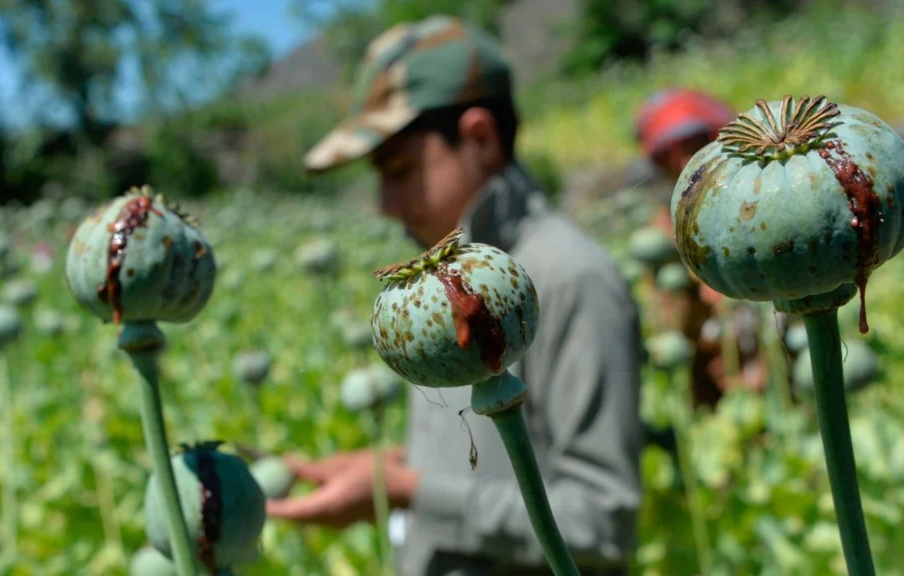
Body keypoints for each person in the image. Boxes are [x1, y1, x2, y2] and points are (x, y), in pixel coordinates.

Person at [266, 15, 645, 576]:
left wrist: (410, 491)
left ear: (480, 139)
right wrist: (383, 469)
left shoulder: (569, 278)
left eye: (400, 170)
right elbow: (489, 461)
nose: (385, 204)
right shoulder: (444, 289)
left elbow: (601, 524)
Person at [625, 89, 766, 406]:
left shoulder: (750, 208)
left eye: (692, 147)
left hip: (759, 353)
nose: (685, 161)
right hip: (707, 369)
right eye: (673, 153)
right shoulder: (661, 232)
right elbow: (667, 323)